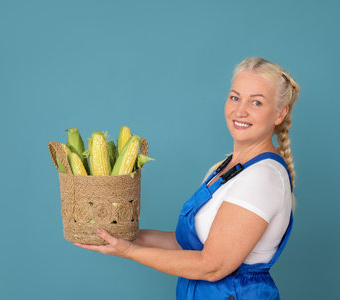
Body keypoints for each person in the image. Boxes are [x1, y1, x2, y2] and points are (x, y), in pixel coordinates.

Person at [74, 57, 300, 299]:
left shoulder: (263, 176)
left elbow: (212, 265)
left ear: (279, 114)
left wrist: (129, 251)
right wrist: (129, 234)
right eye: (235, 97)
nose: (240, 110)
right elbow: (188, 246)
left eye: (256, 102)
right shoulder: (224, 168)